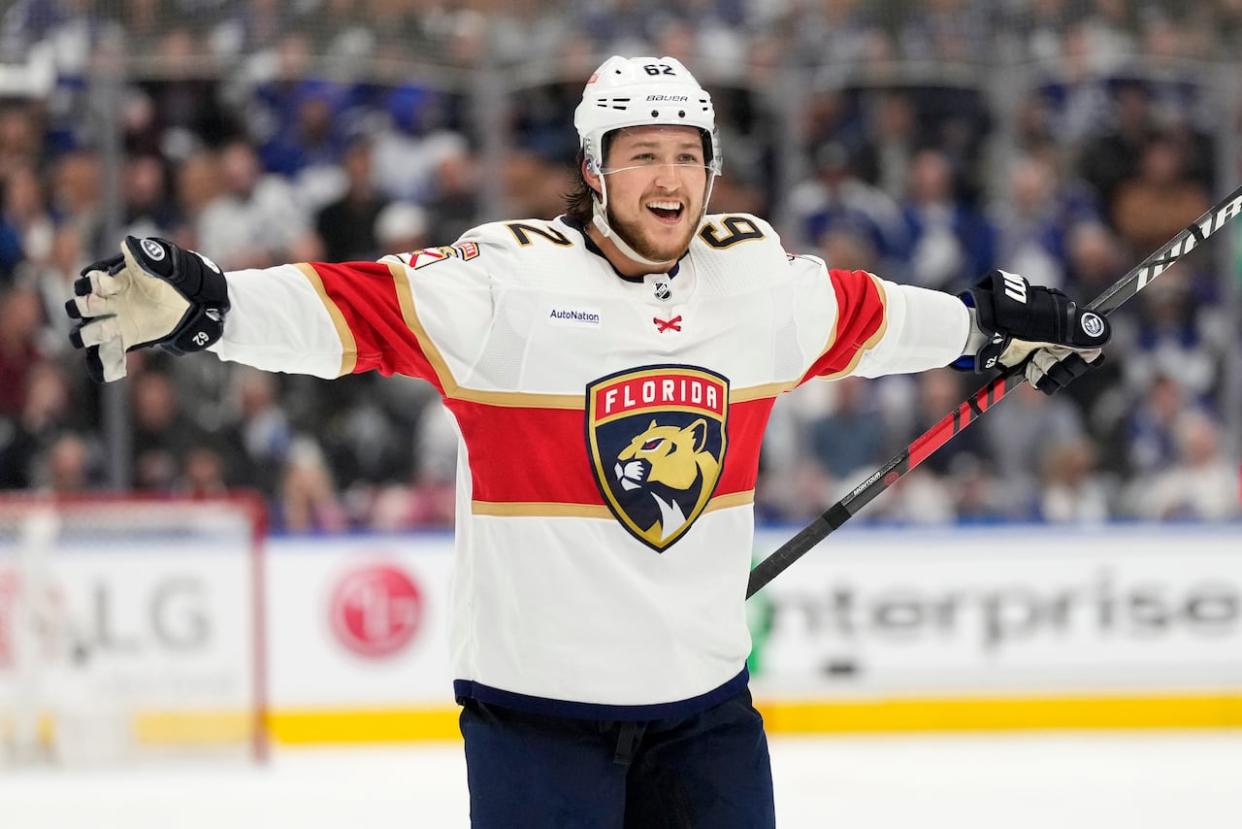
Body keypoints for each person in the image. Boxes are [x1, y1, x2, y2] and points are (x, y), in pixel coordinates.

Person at [63, 56, 1109, 827]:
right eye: (643, 155)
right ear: (594, 169)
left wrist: (988, 329)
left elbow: (872, 320)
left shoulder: (751, 281)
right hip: (535, 728)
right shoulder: (507, 284)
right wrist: (208, 308)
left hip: (706, 721)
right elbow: (347, 312)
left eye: (688, 156)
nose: (670, 177)